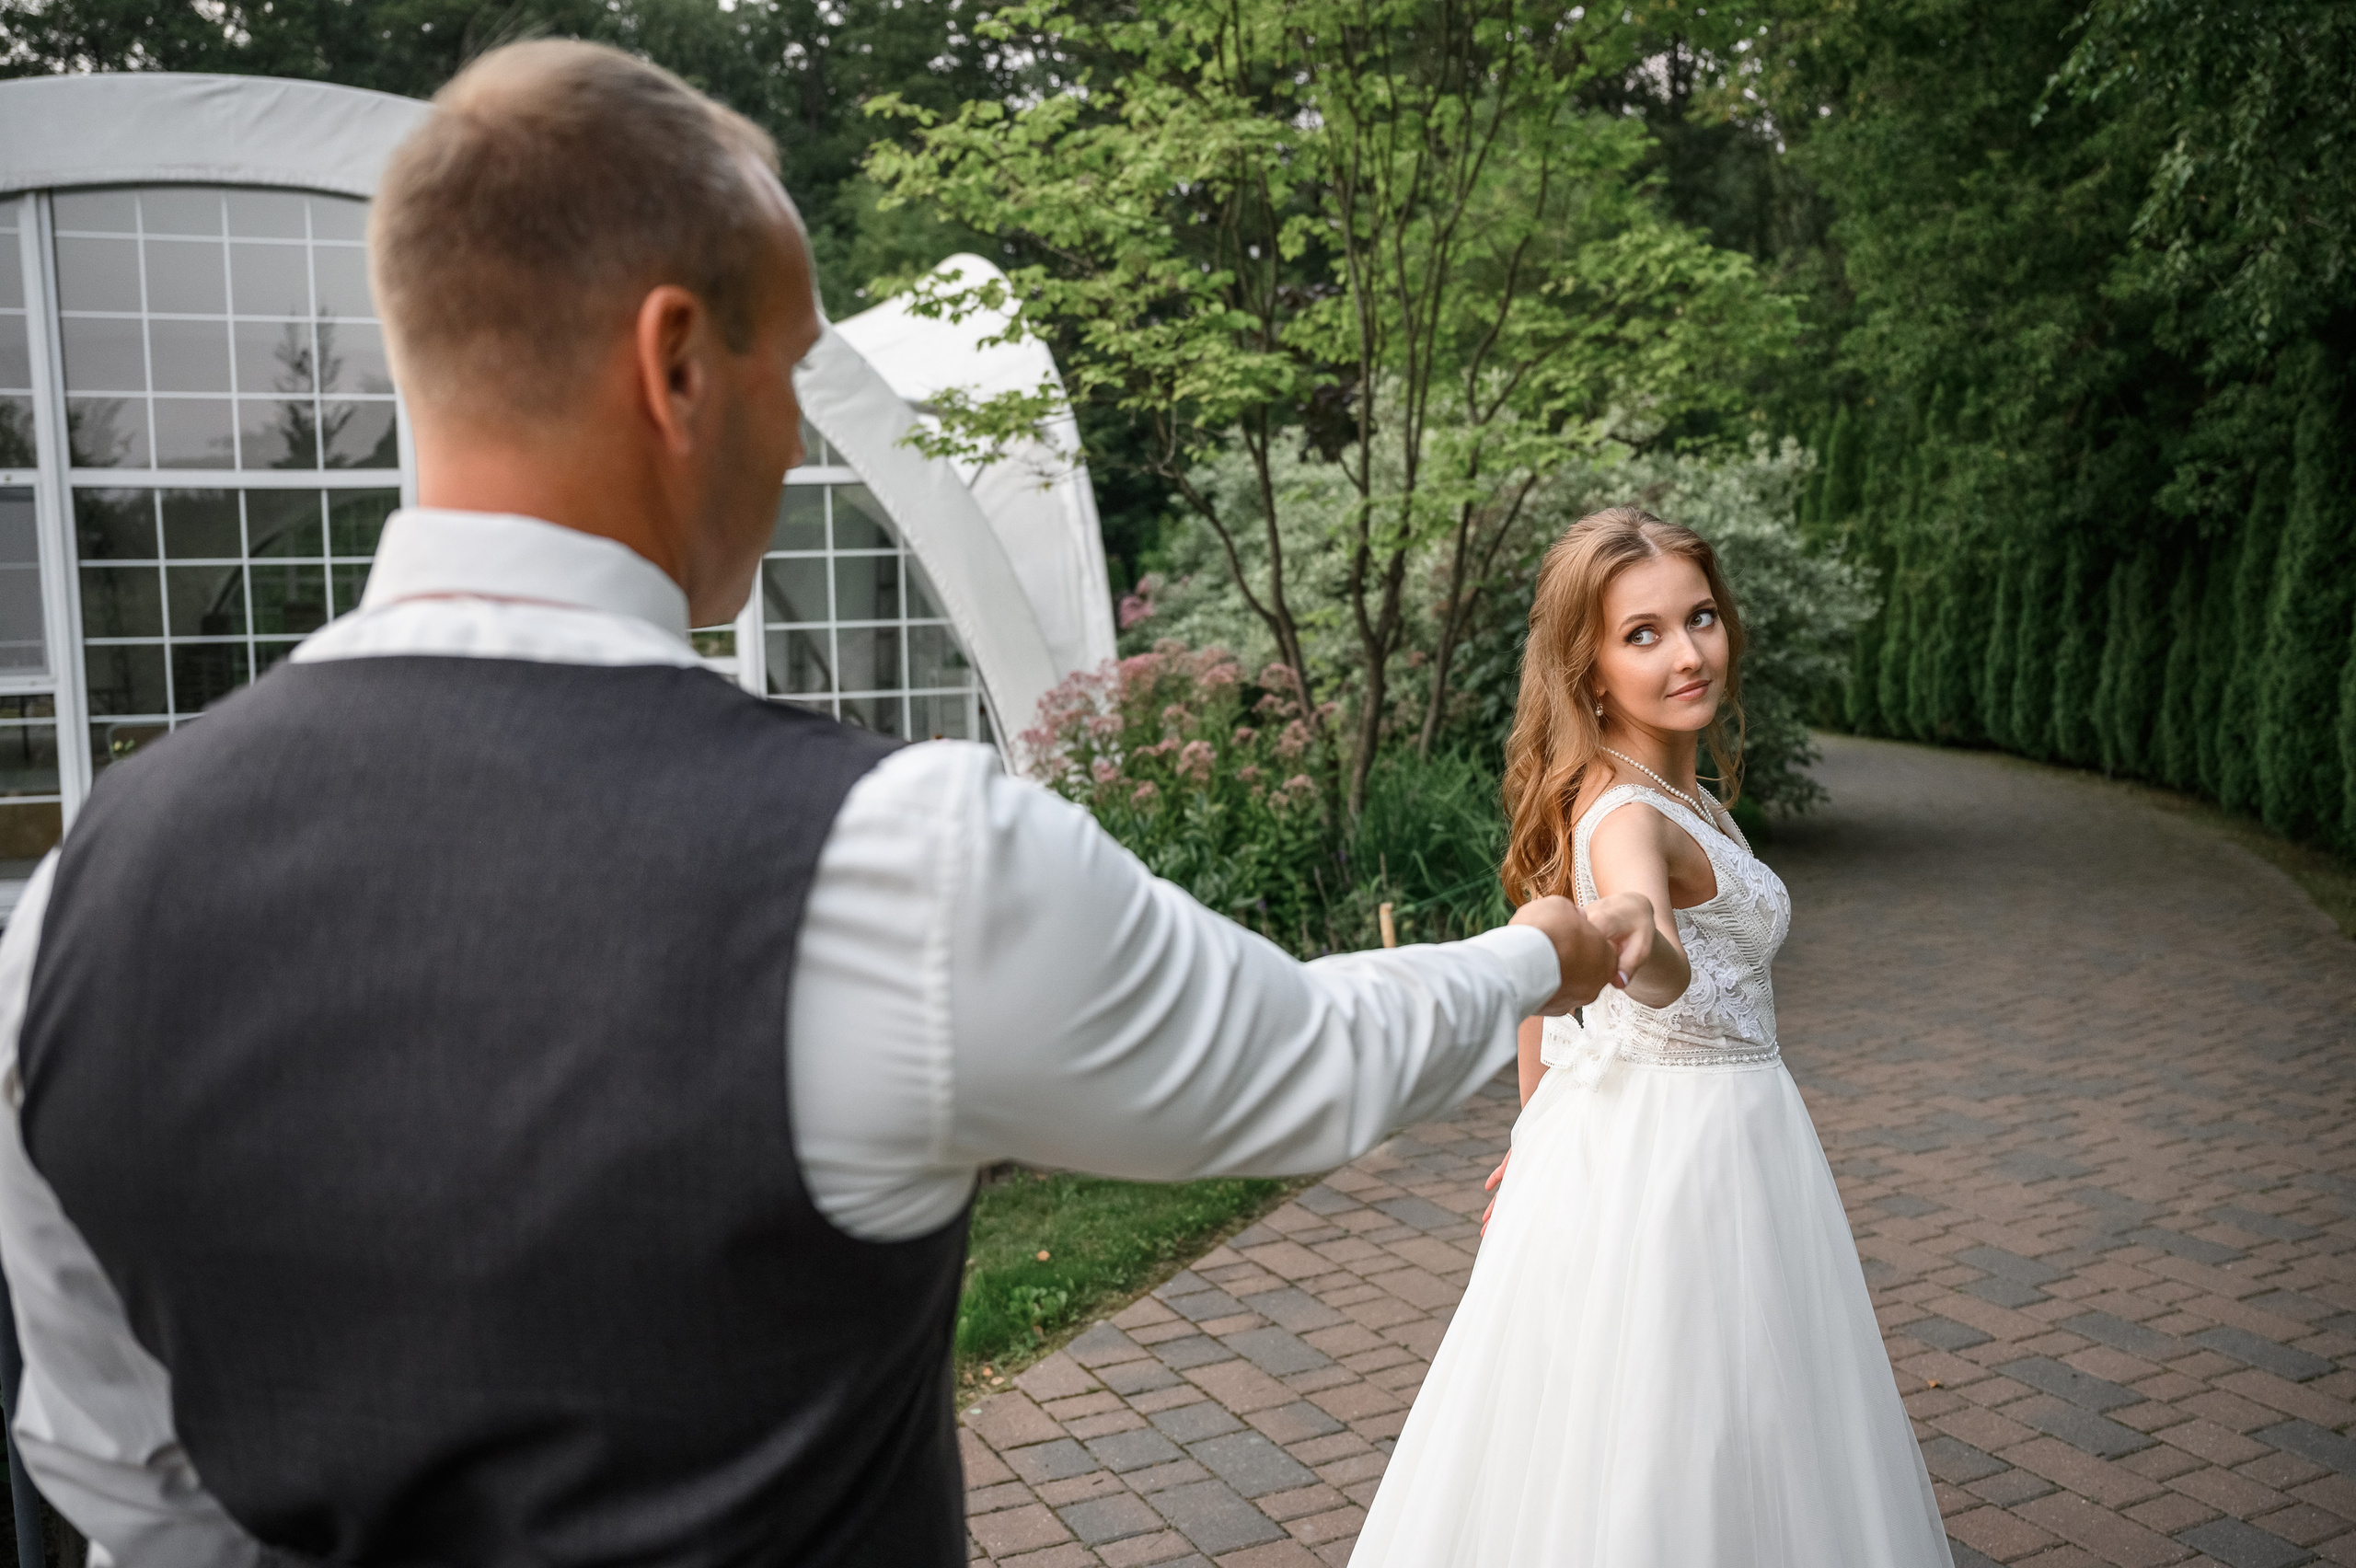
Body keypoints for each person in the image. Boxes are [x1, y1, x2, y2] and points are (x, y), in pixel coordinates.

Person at [0, 40, 1646, 1568]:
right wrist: (1543, 951)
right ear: (676, 364)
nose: (794, 438)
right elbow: (1300, 1057)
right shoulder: (893, 857)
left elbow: (120, 1471)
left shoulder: (80, 899)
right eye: (787, 365)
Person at [1349, 507, 1953, 1567]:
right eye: (1643, 634)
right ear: (1587, 668)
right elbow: (1652, 952)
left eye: (1700, 617)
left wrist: (1533, 1131)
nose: (1688, 654)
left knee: (1707, 1411)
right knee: (1688, 1417)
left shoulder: (1678, 792)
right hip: (1690, 1153)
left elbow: (1542, 981)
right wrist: (1637, 935)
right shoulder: (1630, 816)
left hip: (1668, 1130)